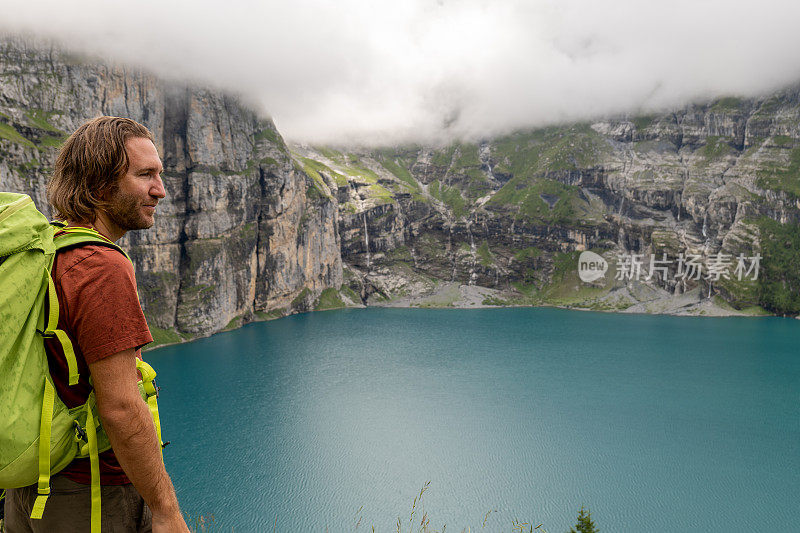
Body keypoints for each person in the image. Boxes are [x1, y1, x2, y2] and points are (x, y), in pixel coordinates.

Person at [3, 117, 190, 533]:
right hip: (90, 495)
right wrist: (166, 510)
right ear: (100, 185)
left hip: (31, 484)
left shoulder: (48, 246)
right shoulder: (100, 266)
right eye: (145, 175)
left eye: (159, 174)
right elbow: (122, 407)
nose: (160, 189)